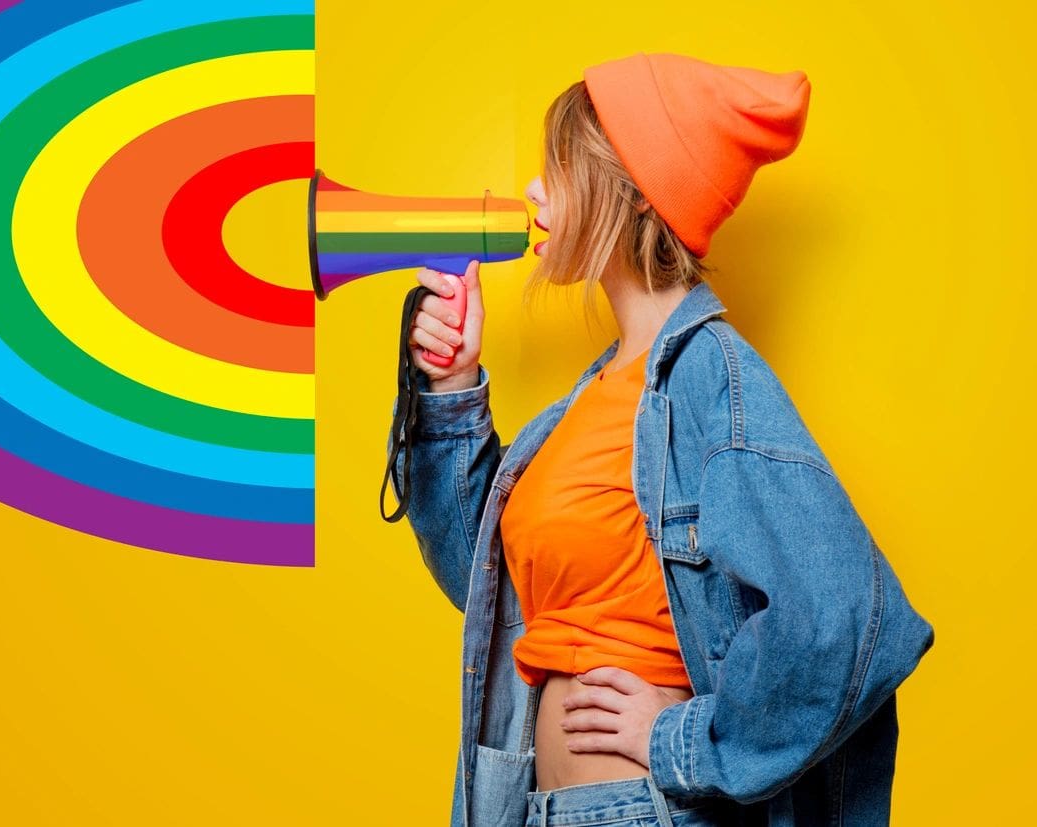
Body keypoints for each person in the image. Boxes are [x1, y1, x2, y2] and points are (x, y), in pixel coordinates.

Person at [388, 52, 934, 827]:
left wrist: (679, 741)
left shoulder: (712, 379)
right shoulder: (598, 396)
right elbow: (486, 588)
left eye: (559, 168)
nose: (536, 192)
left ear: (633, 194)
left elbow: (839, 621)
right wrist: (450, 386)